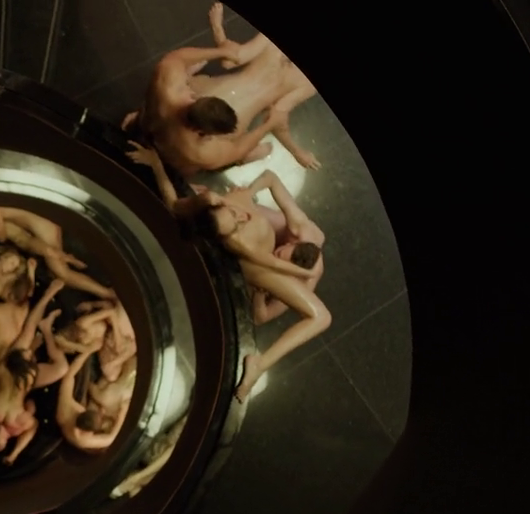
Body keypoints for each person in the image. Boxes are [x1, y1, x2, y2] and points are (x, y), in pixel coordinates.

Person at [129, 150, 332, 401]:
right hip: (260, 268)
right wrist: (302, 272)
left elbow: (268, 177)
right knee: (321, 317)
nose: (242, 215)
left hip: (270, 249)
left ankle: (260, 360)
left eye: (233, 212)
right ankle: (258, 364)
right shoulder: (240, 244)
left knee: (312, 245)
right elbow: (173, 206)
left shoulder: (215, 200)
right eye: (236, 223)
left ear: (217, 202)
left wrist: (156, 163)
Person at [123, 3, 320, 177]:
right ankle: (148, 122)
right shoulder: (199, 150)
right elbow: (275, 119)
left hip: (214, 97)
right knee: (194, 164)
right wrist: (295, 150)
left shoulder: (306, 83)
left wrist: (220, 38)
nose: (188, 95)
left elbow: (230, 59)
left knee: (166, 100)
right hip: (225, 120)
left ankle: (145, 118)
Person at [0, 207, 116, 299]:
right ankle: (64, 257)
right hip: (35, 233)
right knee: (57, 271)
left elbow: (0, 238)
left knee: (62, 273)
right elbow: (2, 242)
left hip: (45, 228)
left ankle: (106, 292)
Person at [57, 351, 129, 453]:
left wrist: (89, 350)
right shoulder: (83, 440)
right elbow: (111, 438)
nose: (102, 411)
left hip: (84, 403)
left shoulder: (65, 407)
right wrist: (122, 413)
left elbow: (70, 375)